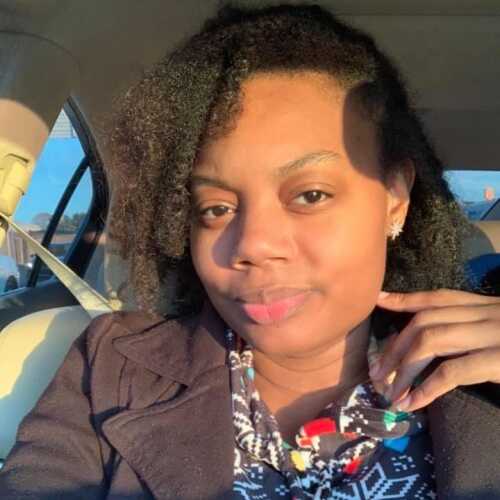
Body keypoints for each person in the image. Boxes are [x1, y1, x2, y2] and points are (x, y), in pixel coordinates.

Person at [2, 3, 500, 499]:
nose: (253, 245)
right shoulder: (109, 368)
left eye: (310, 195)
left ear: (395, 198)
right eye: (216, 208)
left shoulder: (482, 382)